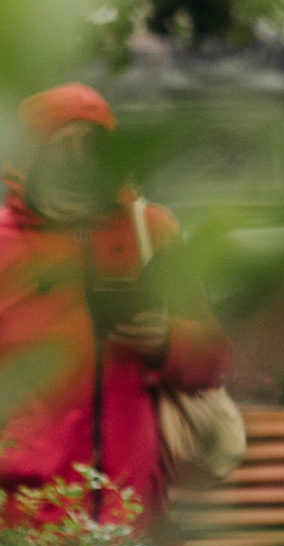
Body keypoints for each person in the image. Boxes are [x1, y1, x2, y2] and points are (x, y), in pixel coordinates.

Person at [0, 83, 228, 520]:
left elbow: (214, 356)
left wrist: (166, 342)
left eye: (93, 146)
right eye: (61, 146)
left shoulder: (149, 231)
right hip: (23, 512)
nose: (79, 160)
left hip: (128, 506)